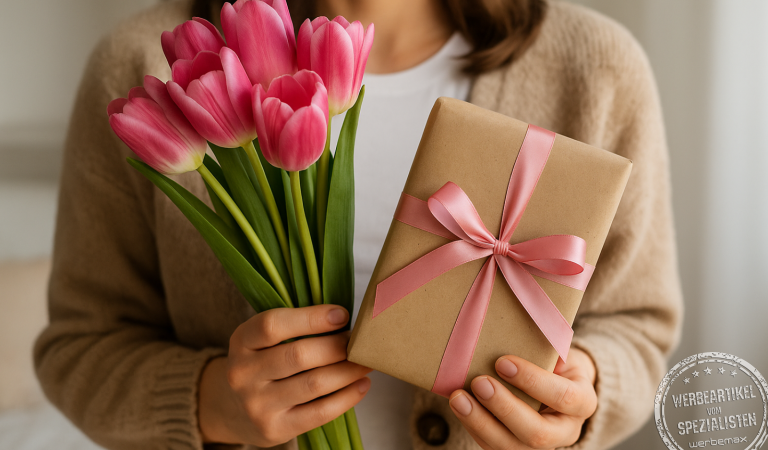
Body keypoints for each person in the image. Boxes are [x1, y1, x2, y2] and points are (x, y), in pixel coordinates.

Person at [34, 0, 683, 449]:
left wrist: (586, 390)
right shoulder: (146, 65)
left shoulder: (595, 67)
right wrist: (211, 403)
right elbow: (78, 351)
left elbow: (639, 324)